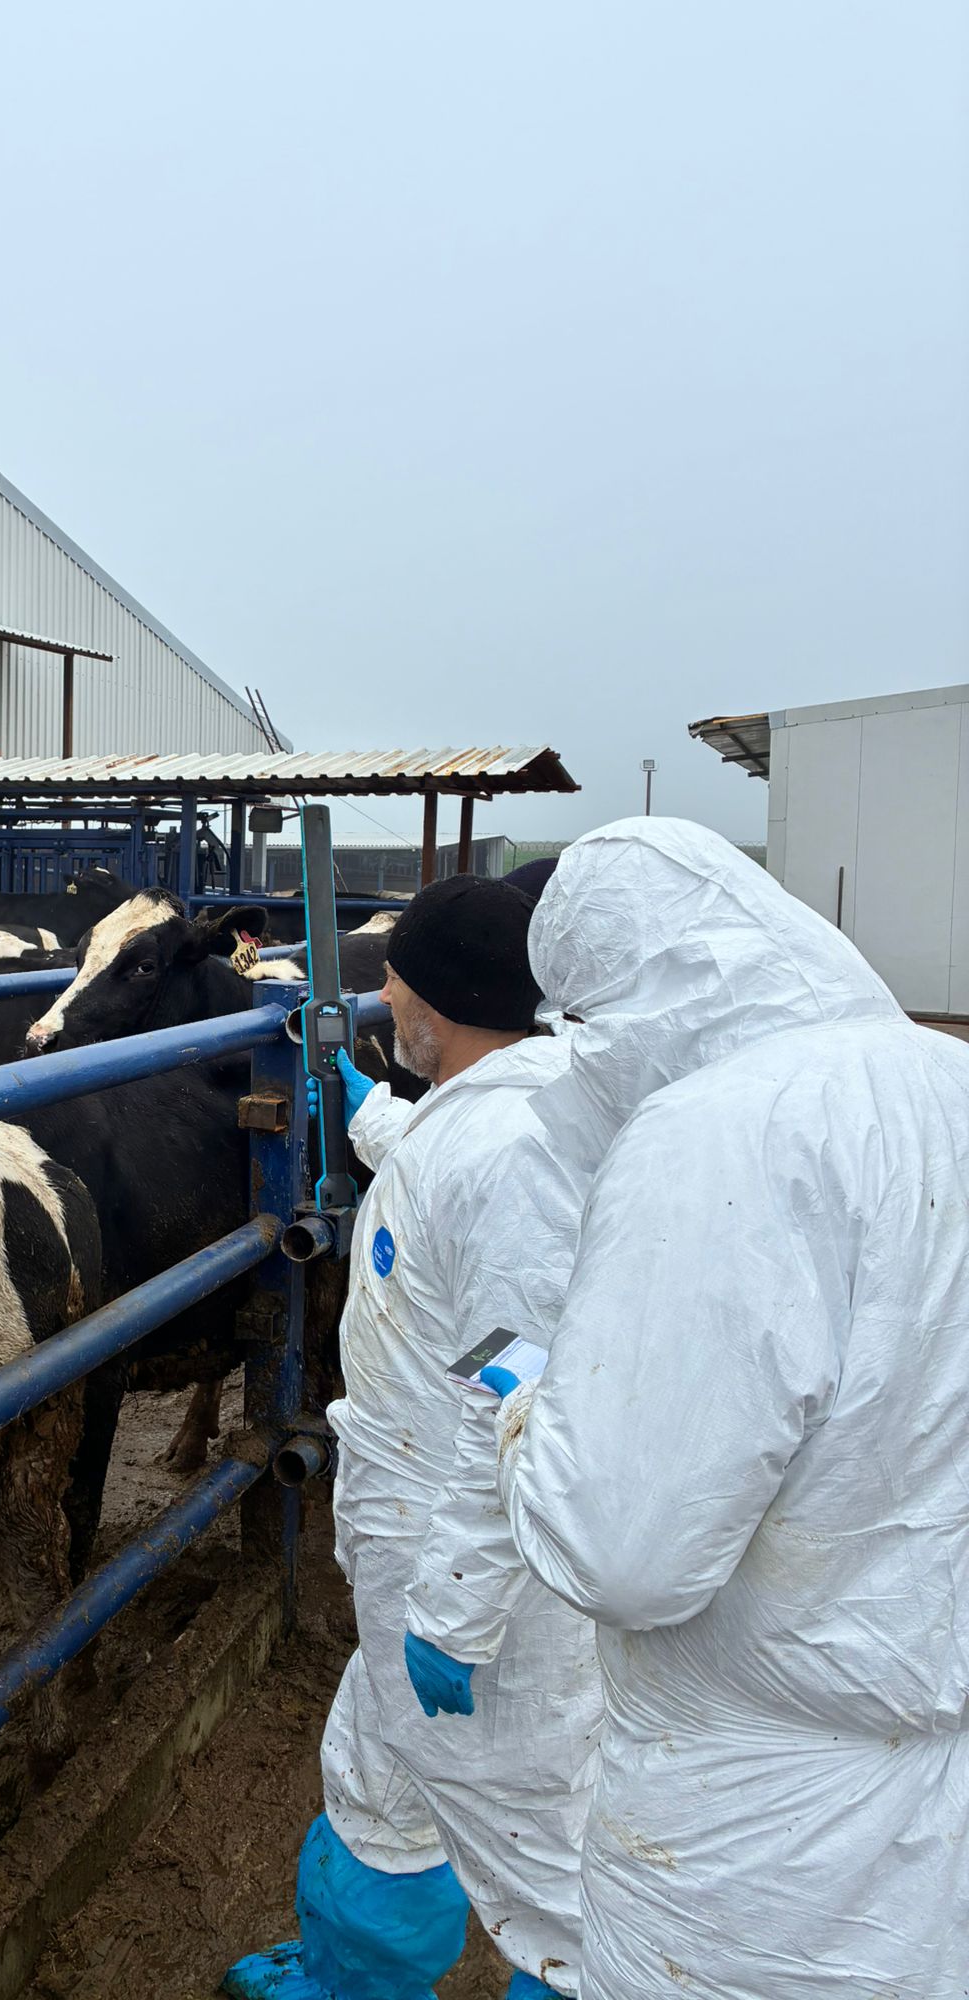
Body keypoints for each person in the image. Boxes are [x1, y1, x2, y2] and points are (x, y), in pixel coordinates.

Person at [468, 817, 969, 2000]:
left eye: (579, 1021)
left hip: (759, 1835)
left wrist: (531, 1415)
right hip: (932, 1780)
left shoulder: (713, 1132)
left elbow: (624, 1550)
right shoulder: (949, 1076)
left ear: (626, 994)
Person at [224, 873, 599, 2000]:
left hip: (475, 1564)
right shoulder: (495, 1113)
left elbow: (530, 1392)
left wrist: (455, 1603)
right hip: (416, 1541)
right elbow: (446, 1175)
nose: (379, 997)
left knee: (537, 1830)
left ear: (443, 1000)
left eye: (392, 978)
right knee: (381, 1771)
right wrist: (366, 1107)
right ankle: (355, 1977)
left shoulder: (514, 1158)